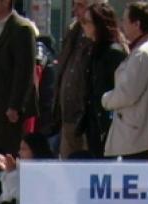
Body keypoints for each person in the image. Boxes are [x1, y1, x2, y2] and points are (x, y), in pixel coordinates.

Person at [102, 3, 148, 160]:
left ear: (137, 24)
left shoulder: (143, 53)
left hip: (137, 136)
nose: (122, 25)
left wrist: (105, 99)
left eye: (124, 20)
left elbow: (126, 94)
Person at [0, 0, 39, 155]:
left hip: (11, 110)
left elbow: (24, 70)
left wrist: (15, 105)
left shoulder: (21, 28)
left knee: (11, 154)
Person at [79, 3, 128, 159]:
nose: (83, 25)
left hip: (108, 125)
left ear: (98, 25)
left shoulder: (114, 53)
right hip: (93, 122)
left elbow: (121, 90)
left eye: (86, 22)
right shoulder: (92, 50)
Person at [54, 0, 97, 158]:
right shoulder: (73, 31)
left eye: (80, 5)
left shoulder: (104, 36)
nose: (74, 10)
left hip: (87, 120)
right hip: (67, 117)